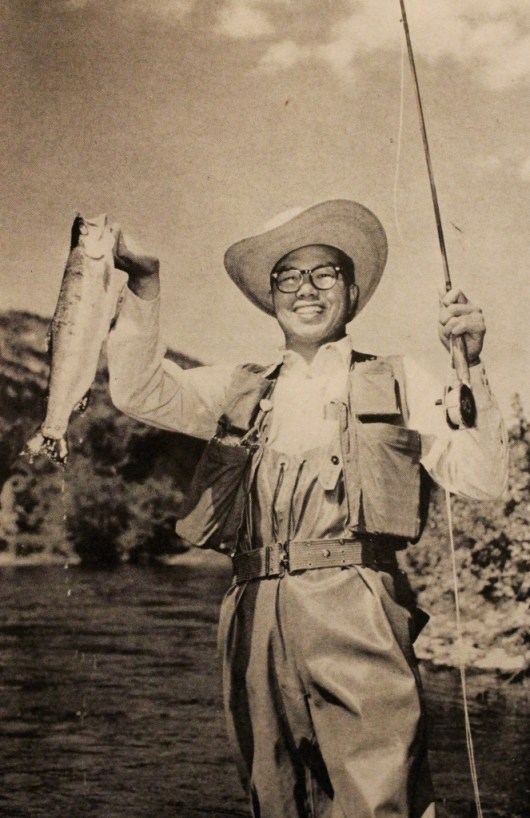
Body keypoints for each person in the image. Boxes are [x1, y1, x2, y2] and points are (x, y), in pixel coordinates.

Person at [107, 200, 508, 818]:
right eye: (289, 277)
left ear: (351, 290)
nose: (307, 289)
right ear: (272, 296)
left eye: (325, 273)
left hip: (358, 609)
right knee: (275, 799)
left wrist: (471, 364)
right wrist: (143, 284)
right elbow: (137, 390)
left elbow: (481, 479)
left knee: (380, 799)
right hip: (252, 613)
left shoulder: (405, 378)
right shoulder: (237, 387)